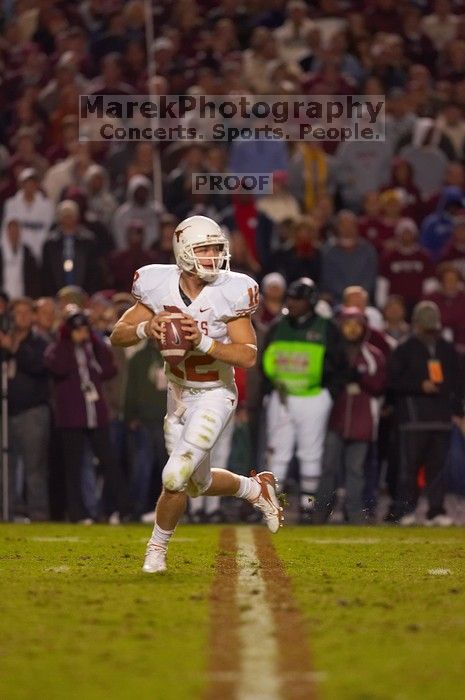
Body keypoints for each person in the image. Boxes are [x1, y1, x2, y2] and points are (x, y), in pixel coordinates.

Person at [110, 215, 283, 574]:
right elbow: (118, 333)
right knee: (197, 483)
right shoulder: (156, 284)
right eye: (204, 249)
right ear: (183, 250)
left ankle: (155, 551)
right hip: (177, 397)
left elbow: (248, 354)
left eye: (217, 249)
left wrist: (202, 341)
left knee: (174, 476)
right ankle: (255, 489)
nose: (213, 257)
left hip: (215, 394)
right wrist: (146, 327)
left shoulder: (232, 289)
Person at [262, 277, 348, 519]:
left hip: (313, 397)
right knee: (278, 455)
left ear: (310, 301)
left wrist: (328, 394)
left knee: (311, 456)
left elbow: (341, 366)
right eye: (290, 298)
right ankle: (273, 506)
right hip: (282, 398)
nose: (293, 302)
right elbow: (263, 362)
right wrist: (270, 390)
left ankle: (307, 506)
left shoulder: (326, 328)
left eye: (298, 298)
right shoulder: (278, 326)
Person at [45, 306, 129, 523]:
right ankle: (77, 513)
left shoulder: (94, 347)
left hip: (96, 413)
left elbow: (110, 368)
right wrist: (68, 340)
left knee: (109, 461)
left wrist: (92, 340)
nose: (81, 332)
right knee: (73, 467)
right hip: (72, 416)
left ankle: (125, 509)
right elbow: (57, 367)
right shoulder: (58, 348)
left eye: (85, 328)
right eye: (77, 329)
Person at [388, 301, 464, 525]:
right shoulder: (404, 348)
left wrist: (458, 409)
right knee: (408, 468)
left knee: (437, 468)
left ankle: (436, 511)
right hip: (413, 418)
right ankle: (406, 511)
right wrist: (419, 385)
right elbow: (393, 382)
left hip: (440, 418)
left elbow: (458, 381)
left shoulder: (447, 349)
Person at [314, 307, 386, 524]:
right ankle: (320, 513)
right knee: (328, 467)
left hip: (362, 422)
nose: (352, 329)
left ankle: (354, 514)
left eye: (357, 325)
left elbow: (380, 384)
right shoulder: (332, 352)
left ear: (364, 328)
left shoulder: (373, 355)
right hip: (333, 419)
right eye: (347, 324)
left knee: (355, 470)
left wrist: (360, 379)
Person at [0, 297, 50, 521]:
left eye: (25, 312)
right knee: (6, 467)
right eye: (16, 312)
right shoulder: (4, 340)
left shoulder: (40, 342)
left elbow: (40, 366)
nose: (20, 316)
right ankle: (7, 511)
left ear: (32, 316)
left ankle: (38, 512)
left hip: (32, 412)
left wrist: (15, 348)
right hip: (6, 412)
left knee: (34, 467)